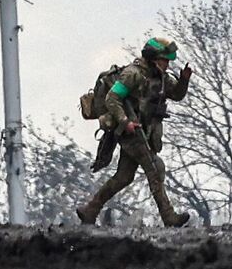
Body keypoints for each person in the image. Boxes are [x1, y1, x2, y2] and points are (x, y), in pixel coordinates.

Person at [77, 37, 194, 227]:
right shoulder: (133, 74)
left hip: (145, 132)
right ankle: (169, 217)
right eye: (165, 59)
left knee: (124, 177)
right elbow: (112, 98)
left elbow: (177, 95)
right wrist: (125, 121)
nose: (168, 64)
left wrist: (184, 81)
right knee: (155, 170)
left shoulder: (161, 78)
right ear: (154, 58)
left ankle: (90, 210)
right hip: (131, 133)